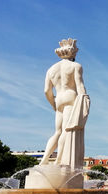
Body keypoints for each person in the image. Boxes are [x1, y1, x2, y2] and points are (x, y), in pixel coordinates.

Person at [40, 38, 90, 169]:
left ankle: (44, 160)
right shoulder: (76, 66)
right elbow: (80, 86)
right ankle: (59, 162)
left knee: (57, 132)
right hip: (71, 99)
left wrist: (53, 104)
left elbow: (46, 91)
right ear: (73, 53)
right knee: (66, 132)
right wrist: (85, 100)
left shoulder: (51, 69)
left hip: (59, 101)